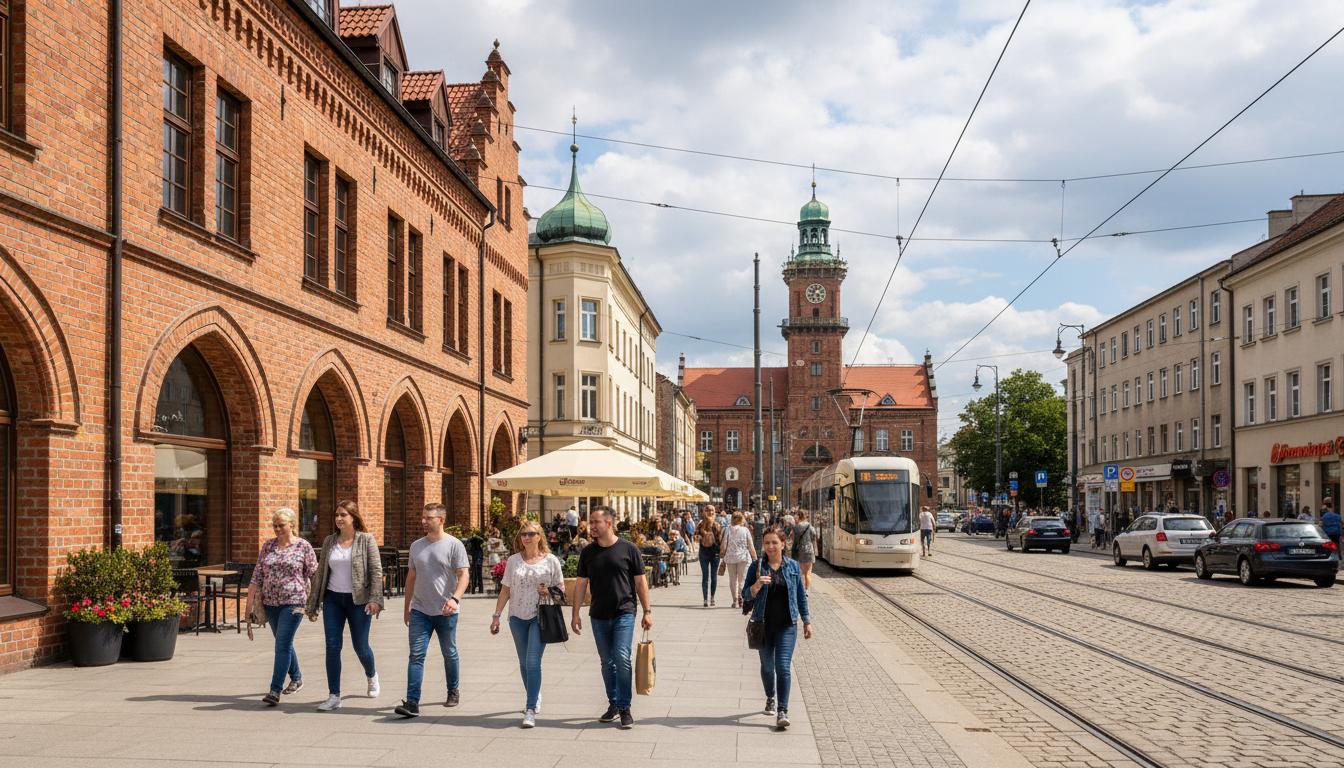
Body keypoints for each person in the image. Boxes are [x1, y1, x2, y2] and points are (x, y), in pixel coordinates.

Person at [570, 506, 653, 730]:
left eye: (596, 522)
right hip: (598, 614)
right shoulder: (588, 552)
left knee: (622, 658)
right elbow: (581, 584)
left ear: (609, 523)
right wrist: (575, 613)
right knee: (607, 662)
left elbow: (640, 582)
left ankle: (625, 708)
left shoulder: (629, 549)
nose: (591, 526)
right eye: (590, 522)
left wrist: (647, 611)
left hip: (624, 612)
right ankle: (613, 703)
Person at [306, 500, 384, 712]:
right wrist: (313, 601)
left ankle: (371, 675)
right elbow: (321, 572)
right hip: (333, 599)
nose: (339, 519)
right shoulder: (330, 541)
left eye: (343, 515)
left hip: (358, 600)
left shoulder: (366, 540)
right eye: (336, 515)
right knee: (332, 646)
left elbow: (376, 571)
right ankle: (334, 696)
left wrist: (375, 599)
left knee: (361, 646)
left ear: (353, 517)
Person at [395, 503, 469, 718]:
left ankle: (453, 690)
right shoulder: (416, 546)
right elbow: (411, 578)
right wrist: (407, 608)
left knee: (449, 652)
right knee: (416, 655)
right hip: (420, 610)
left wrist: (455, 599)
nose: (424, 521)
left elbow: (464, 575)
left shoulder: (454, 545)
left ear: (441, 520)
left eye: (429, 518)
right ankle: (412, 702)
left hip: (446, 610)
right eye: (423, 517)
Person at [489, 519, 563, 729]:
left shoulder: (551, 561)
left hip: (540, 616)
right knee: (523, 662)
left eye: (531, 534)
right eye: (524, 534)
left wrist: (548, 591)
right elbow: (505, 590)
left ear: (539, 537)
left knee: (532, 662)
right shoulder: (513, 561)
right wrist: (496, 616)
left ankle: (530, 709)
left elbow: (561, 592)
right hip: (517, 617)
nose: (527, 538)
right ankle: (535, 693)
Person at [743, 525, 812, 731]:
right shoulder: (756, 567)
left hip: (787, 626)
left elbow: (801, 596)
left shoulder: (793, 567)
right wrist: (756, 586)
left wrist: (807, 621)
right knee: (767, 667)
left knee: (783, 666)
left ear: (783, 544)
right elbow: (745, 595)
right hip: (763, 625)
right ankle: (770, 697)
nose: (770, 546)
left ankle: (783, 710)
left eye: (774, 542)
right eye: (767, 543)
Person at [246, 507, 317, 707]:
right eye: (275, 525)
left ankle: (275, 690)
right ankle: (297, 677)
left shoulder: (303, 546)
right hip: (270, 603)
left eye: (281, 525)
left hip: (294, 602)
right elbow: (257, 575)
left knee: (282, 645)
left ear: (292, 525)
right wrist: (248, 606)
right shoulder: (268, 546)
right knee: (283, 642)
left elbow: (315, 574)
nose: (277, 529)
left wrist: (318, 602)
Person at [722, 512, 758, 609]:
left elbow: (724, 544)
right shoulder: (745, 530)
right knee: (742, 579)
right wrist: (755, 558)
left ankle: (735, 601)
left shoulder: (727, 529)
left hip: (730, 558)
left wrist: (723, 556)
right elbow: (750, 545)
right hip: (743, 557)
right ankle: (741, 597)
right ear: (742, 519)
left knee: (732, 580)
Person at [696, 505, 724, 607]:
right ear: (704, 512)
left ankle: (712, 597)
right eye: (707, 510)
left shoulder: (717, 525)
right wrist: (700, 536)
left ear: (714, 512)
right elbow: (695, 537)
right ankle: (705, 599)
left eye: (712, 510)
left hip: (715, 553)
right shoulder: (700, 524)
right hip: (703, 553)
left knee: (713, 576)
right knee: (705, 577)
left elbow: (721, 540)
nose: (710, 512)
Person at [791, 511, 818, 589]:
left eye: (796, 515)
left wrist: (793, 551)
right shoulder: (809, 525)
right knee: (808, 572)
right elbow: (814, 534)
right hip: (809, 550)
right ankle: (806, 590)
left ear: (799, 516)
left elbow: (795, 540)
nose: (795, 517)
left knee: (801, 572)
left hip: (800, 551)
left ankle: (802, 590)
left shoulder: (796, 527)